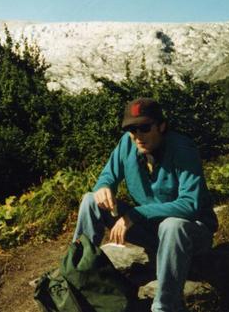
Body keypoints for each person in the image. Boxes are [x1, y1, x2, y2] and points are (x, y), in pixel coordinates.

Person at [72, 97, 218, 312]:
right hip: (152, 231)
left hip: (190, 233)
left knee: (172, 225)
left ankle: (164, 307)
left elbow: (190, 205)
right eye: (132, 129)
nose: (137, 135)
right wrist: (103, 187)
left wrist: (136, 214)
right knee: (89, 200)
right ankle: (77, 277)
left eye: (144, 128)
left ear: (162, 126)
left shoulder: (182, 149)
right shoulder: (127, 144)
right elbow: (107, 176)